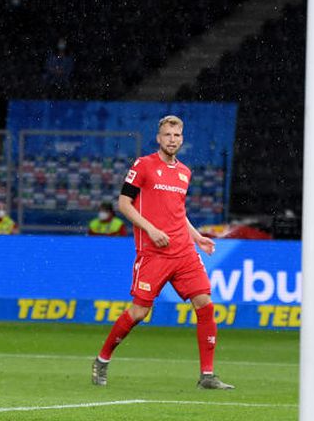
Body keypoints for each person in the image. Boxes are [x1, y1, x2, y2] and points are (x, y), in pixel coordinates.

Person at [91, 115, 233, 390]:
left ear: (182, 139)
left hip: (183, 251)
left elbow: (178, 213)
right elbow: (124, 204)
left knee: (205, 304)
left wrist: (197, 237)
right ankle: (102, 359)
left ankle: (207, 375)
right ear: (158, 138)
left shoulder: (184, 173)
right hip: (153, 253)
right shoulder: (143, 165)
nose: (172, 140)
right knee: (139, 312)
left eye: (177, 135)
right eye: (167, 135)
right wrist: (151, 230)